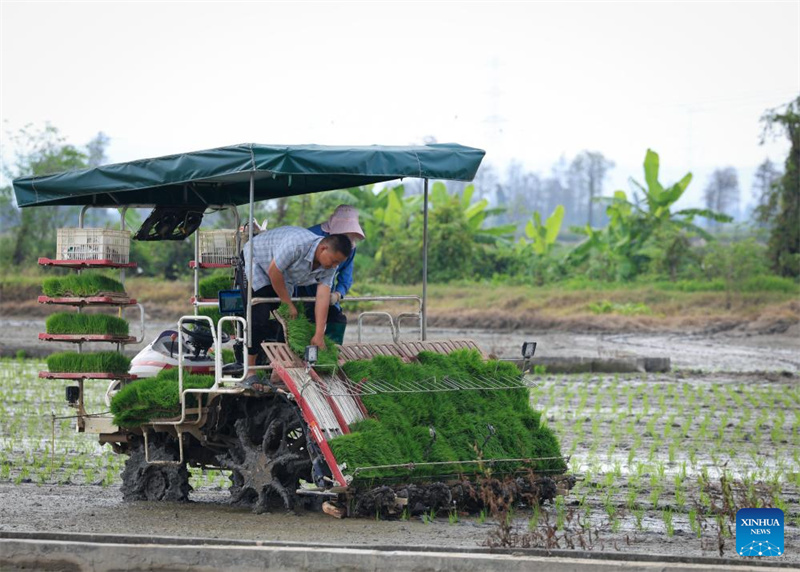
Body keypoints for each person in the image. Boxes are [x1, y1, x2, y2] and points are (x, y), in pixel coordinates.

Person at [239, 225, 352, 387]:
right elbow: (273, 271)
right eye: (334, 261)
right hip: (256, 261)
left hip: (284, 275)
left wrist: (319, 334)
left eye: (338, 263)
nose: (335, 266)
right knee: (259, 314)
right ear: (323, 248)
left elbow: (322, 296)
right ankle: (250, 371)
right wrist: (287, 302)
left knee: (287, 320)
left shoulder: (329, 267)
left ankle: (277, 372)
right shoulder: (296, 245)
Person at [295, 205, 365, 344]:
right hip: (300, 288)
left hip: (326, 289)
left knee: (337, 319)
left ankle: (331, 354)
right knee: (303, 320)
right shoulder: (312, 237)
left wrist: (338, 294)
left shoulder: (351, 247)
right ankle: (302, 354)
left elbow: (346, 276)